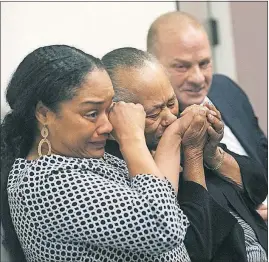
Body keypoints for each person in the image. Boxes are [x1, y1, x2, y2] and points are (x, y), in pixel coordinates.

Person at [1, 45, 195, 262]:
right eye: (92, 114)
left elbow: (160, 195)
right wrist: (133, 138)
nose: (107, 125)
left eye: (109, 109)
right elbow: (164, 227)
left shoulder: (83, 157)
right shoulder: (45, 183)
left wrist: (175, 132)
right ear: (44, 113)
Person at [102, 47, 268, 262]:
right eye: (153, 113)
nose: (170, 118)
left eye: (171, 103)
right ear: (120, 116)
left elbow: (258, 187)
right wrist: (193, 155)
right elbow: (194, 247)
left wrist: (213, 154)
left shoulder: (183, 124)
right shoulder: (117, 170)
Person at [146, 11, 268, 174]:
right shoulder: (154, 129)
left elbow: (262, 153)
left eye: (204, 64)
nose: (198, 78)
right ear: (152, 64)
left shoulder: (226, 88)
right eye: (182, 66)